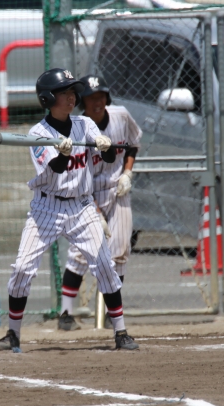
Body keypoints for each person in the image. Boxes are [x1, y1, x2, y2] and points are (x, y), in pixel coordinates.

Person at [0, 68, 139, 351]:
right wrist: (63, 152)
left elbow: (109, 158)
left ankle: (121, 332)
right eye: (64, 93)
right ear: (47, 98)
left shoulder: (85, 124)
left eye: (73, 92)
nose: (72, 98)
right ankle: (13, 334)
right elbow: (56, 167)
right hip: (46, 208)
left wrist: (106, 146)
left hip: (82, 206)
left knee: (105, 265)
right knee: (22, 268)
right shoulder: (38, 133)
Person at [57, 75, 142, 331]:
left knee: (120, 251)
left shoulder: (120, 116)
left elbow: (133, 144)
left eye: (101, 96)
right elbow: (76, 176)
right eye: (92, 97)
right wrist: (95, 213)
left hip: (118, 190)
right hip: (86, 194)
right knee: (80, 254)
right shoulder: (75, 129)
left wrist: (128, 173)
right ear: (82, 101)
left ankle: (110, 314)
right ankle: (65, 313)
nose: (97, 102)